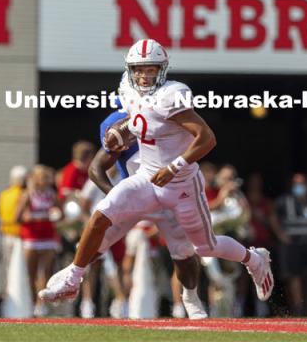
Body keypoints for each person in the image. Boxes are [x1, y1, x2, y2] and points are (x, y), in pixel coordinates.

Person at [40, 38, 274, 308]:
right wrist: (122, 133)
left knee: (204, 247)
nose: (143, 75)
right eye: (138, 69)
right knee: (103, 211)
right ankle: (73, 277)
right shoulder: (128, 91)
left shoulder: (171, 95)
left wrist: (175, 166)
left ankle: (254, 259)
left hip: (181, 183)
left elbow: (207, 138)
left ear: (162, 69)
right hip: (147, 179)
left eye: (150, 69)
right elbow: (132, 122)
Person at [84, 102, 206, 319]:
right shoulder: (117, 120)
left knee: (187, 252)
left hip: (168, 192)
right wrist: (116, 195)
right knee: (99, 242)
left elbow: (199, 142)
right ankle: (73, 277)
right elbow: (96, 167)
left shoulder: (169, 112)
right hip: (137, 194)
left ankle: (190, 297)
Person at [270, 172, 307, 316]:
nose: (299, 186)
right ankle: (299, 308)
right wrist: (280, 235)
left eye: (302, 183)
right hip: (292, 242)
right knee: (294, 275)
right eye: (296, 184)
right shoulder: (284, 200)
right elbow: (272, 215)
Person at [16, 165, 61, 317]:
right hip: (31, 238)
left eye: (47, 177)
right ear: (36, 179)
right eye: (43, 177)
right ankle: (33, 302)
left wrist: (57, 214)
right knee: (32, 273)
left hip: (47, 237)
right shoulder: (27, 194)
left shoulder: (51, 194)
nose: (47, 180)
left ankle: (42, 304)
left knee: (46, 271)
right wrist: (25, 217)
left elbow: (61, 213)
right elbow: (17, 217)